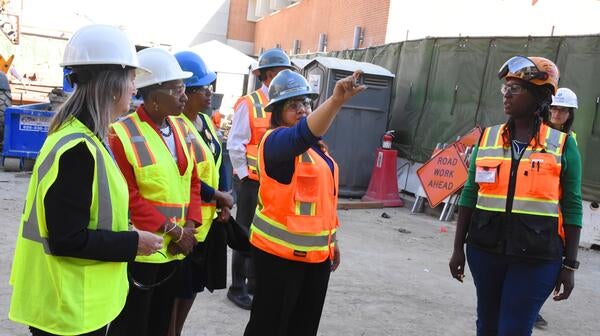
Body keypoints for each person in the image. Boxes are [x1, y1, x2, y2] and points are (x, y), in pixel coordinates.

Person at [8, 24, 163, 336]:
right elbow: (67, 238)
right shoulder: (77, 149)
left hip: (72, 304)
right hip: (67, 309)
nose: (135, 88)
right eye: (132, 78)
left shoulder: (83, 138)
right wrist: (134, 243)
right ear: (113, 83)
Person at [449, 56, 583, 336]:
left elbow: (571, 206)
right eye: (505, 88)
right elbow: (470, 195)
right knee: (487, 325)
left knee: (514, 329)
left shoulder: (562, 145)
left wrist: (569, 264)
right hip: (485, 251)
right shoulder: (487, 138)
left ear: (540, 97)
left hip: (537, 258)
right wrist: (458, 247)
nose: (506, 94)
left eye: (516, 88)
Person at [243, 69, 365, 336]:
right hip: (279, 259)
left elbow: (322, 201)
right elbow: (300, 135)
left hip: (315, 258)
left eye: (306, 103)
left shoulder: (316, 150)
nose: (302, 109)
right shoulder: (275, 142)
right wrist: (335, 101)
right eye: (293, 105)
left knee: (303, 328)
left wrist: (332, 242)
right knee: (269, 328)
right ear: (276, 112)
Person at [107, 47, 202, 336]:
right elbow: (129, 197)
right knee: (132, 325)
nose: (184, 96)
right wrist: (175, 231)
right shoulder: (120, 134)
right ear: (153, 97)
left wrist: (189, 228)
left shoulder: (181, 129)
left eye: (183, 88)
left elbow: (193, 181)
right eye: (176, 90)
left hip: (175, 250)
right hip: (143, 253)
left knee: (162, 324)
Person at [168, 50, 234, 335]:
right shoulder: (175, 127)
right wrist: (217, 196)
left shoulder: (205, 123)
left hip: (208, 222)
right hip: (186, 222)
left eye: (209, 87)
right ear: (183, 92)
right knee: (175, 291)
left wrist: (225, 198)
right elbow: (187, 176)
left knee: (193, 287)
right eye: (201, 89)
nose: (209, 94)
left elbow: (219, 161)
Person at [226, 47, 293, 309]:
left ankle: (255, 282)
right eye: (280, 72)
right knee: (244, 233)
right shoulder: (250, 103)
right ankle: (237, 287)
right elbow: (236, 144)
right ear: (267, 75)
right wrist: (244, 177)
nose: (283, 77)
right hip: (251, 182)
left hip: (273, 184)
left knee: (266, 234)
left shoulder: (285, 103)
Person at [535, 86, 579, 329]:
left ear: (570, 114)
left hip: (557, 209)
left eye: (563, 110)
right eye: (554, 108)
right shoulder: (537, 133)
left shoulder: (570, 141)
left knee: (550, 265)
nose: (557, 113)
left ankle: (533, 307)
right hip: (537, 205)